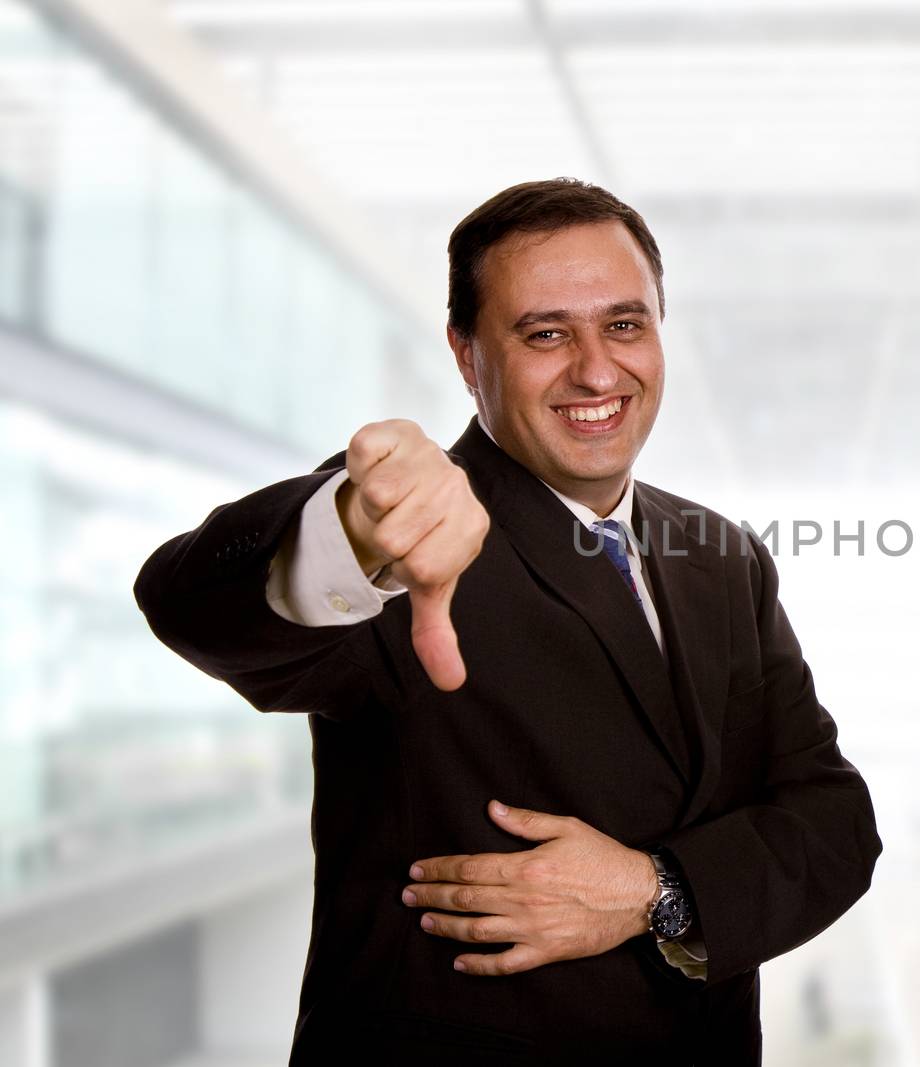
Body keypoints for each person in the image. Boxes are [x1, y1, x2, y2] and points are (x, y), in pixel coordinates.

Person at [135, 179, 880, 1065]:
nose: (598, 371)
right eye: (546, 333)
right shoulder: (414, 531)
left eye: (625, 324)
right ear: (465, 354)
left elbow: (832, 821)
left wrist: (656, 888)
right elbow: (186, 603)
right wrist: (352, 534)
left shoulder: (720, 556)